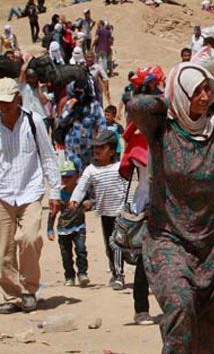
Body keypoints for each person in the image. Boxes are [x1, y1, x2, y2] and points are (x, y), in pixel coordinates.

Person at [126, 63, 214, 354]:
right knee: (179, 299)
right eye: (196, 91)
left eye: (207, 89)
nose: (204, 97)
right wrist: (171, 99)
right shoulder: (161, 129)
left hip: (212, 241)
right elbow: (136, 105)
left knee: (205, 311)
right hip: (169, 238)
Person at [0, 78, 61, 314]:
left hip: (30, 190)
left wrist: (55, 191)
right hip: (3, 192)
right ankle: (12, 295)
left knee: (30, 239)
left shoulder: (33, 122)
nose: (4, 107)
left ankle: (29, 288)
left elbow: (48, 157)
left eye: (8, 102)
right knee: (3, 250)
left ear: (18, 99)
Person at [70, 131, 127, 289]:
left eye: (102, 147)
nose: (97, 150)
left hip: (121, 213)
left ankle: (119, 276)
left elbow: (127, 187)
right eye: (95, 147)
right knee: (109, 246)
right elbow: (82, 186)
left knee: (117, 244)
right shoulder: (91, 170)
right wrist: (75, 199)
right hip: (105, 214)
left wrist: (130, 207)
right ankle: (114, 271)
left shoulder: (119, 167)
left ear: (112, 151)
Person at [119, 122, 154, 325]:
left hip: (172, 206)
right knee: (144, 259)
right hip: (147, 206)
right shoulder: (140, 143)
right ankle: (141, 308)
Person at [47, 161, 91, 287]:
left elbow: (91, 202)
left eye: (69, 176)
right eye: (63, 177)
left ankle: (82, 273)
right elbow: (53, 213)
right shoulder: (59, 194)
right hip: (63, 229)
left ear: (77, 176)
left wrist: (88, 204)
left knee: (81, 250)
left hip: (79, 227)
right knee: (66, 254)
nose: (65, 179)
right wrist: (50, 229)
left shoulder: (82, 192)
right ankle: (69, 276)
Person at [60, 79, 106, 172]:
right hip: (71, 148)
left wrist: (98, 142)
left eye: (81, 92)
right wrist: (69, 108)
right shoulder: (70, 103)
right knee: (73, 175)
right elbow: (62, 122)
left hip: (88, 150)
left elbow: (102, 125)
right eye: (76, 91)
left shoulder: (94, 105)